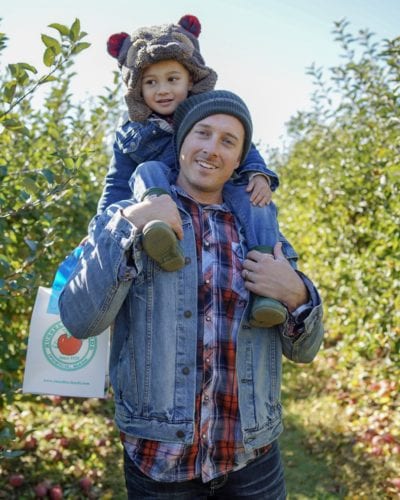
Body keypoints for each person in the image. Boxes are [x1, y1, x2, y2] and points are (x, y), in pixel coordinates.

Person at [59, 90, 324, 499]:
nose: (212, 149)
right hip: (160, 458)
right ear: (181, 141)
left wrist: (296, 294)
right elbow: (80, 320)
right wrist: (129, 227)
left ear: (240, 159)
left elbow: (305, 351)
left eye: (228, 141)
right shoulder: (130, 216)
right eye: (203, 133)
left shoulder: (260, 234)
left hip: (252, 456)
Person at [96, 14, 290, 327]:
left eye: (172, 79)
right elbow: (116, 182)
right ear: (137, 88)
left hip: (216, 193)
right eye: (150, 82)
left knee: (259, 206)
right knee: (149, 168)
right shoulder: (131, 133)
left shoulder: (212, 114)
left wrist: (258, 174)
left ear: (190, 80)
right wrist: (103, 223)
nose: (162, 90)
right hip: (162, 201)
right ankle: (161, 235)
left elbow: (244, 146)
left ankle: (264, 286)